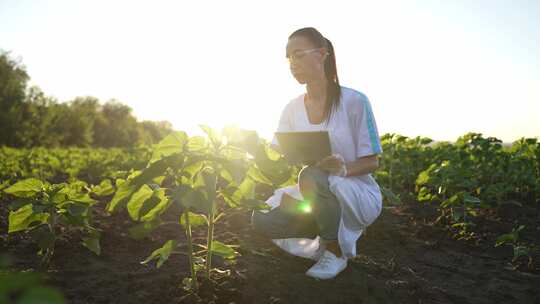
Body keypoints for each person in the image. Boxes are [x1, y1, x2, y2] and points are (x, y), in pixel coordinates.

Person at [251, 27, 383, 280]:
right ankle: (332, 224)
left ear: (322, 54)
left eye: (299, 55)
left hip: (354, 188)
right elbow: (278, 155)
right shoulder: (292, 109)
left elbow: (372, 162)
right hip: (313, 187)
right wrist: (254, 149)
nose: (293, 64)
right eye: (289, 58)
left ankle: (335, 251)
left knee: (312, 175)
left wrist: (342, 169)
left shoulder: (355, 101)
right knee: (262, 219)